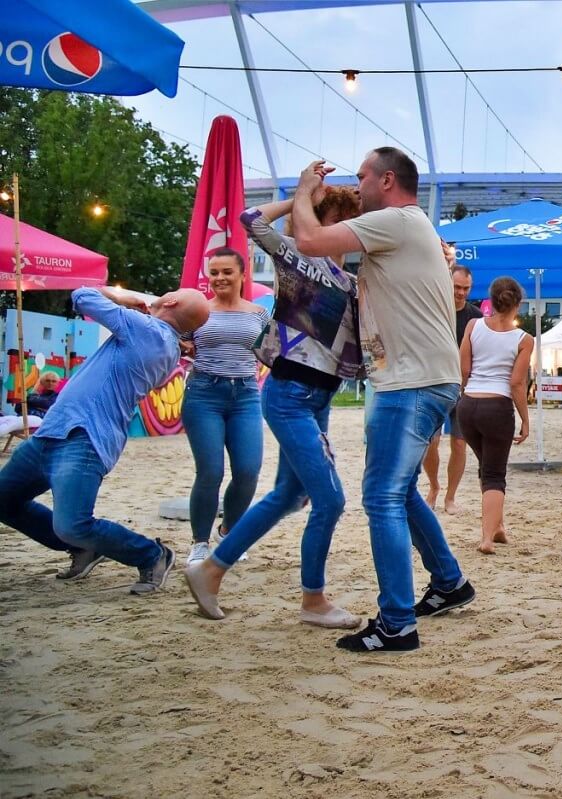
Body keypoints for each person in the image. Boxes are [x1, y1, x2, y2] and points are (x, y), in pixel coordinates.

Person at [291, 149, 474, 653]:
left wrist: (306, 191)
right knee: (403, 490)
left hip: (410, 383)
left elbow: (308, 241)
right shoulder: (413, 228)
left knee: (381, 497)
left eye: (363, 176)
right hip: (426, 379)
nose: (358, 183)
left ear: (387, 180)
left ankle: (396, 622)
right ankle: (449, 582)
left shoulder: (392, 221)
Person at [184, 187, 365, 628]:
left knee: (290, 493)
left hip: (317, 396)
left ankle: (211, 569)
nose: (348, 231)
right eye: (339, 220)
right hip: (290, 396)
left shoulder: (350, 281)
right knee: (331, 500)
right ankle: (313, 600)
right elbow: (250, 218)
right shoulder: (298, 259)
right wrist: (302, 193)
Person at [0, 286, 208, 592]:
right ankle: (84, 547)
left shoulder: (149, 330)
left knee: (73, 524)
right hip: (56, 431)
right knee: (5, 500)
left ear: (172, 301)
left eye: (172, 290)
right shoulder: (160, 340)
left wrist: (124, 298)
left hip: (83, 439)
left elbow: (82, 296)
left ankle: (152, 554)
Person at [182, 247, 270, 565]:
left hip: (245, 395)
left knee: (248, 471)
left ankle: (228, 531)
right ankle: (200, 543)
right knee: (210, 472)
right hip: (204, 393)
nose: (219, 278)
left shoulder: (258, 314)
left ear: (242, 275)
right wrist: (182, 343)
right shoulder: (198, 311)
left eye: (226, 272)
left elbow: (271, 351)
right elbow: (177, 340)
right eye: (214, 272)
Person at [455, 276, 533, 555]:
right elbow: (517, 383)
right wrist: (525, 418)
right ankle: (487, 538)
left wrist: (465, 394)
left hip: (469, 405)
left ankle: (498, 526)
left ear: (491, 299)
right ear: (518, 304)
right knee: (494, 474)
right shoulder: (524, 340)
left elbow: (463, 370)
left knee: (485, 465)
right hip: (497, 407)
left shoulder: (473, 325)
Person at [423, 264, 482, 513]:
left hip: (465, 388)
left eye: (465, 288)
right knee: (431, 442)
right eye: (457, 287)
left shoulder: (476, 317)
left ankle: (450, 496)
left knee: (459, 443)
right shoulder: (435, 310)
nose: (461, 292)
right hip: (435, 383)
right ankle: (434, 486)